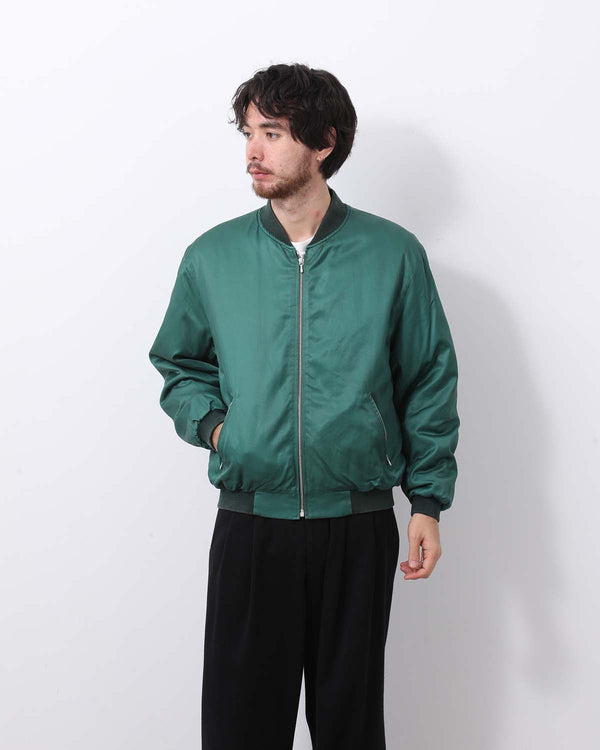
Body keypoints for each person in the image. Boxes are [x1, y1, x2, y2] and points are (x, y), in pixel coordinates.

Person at [148, 62, 460, 750]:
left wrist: (427, 502)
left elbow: (428, 379)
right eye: (248, 133)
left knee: (349, 729)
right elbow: (179, 363)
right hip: (251, 525)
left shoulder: (392, 255)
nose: (252, 152)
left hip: (356, 524)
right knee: (239, 729)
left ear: (323, 142)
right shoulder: (213, 257)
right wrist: (221, 430)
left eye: (273, 133)